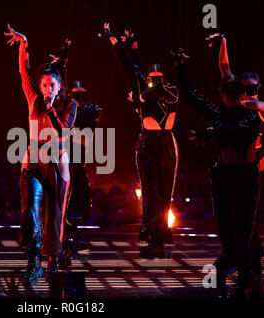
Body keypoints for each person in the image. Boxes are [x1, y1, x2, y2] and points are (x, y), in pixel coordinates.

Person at [174, 48, 262, 298]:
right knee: (227, 234)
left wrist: (211, 131)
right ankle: (233, 276)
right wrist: (181, 68)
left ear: (241, 94)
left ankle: (237, 277)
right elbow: (192, 96)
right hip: (223, 180)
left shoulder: (250, 117)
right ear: (223, 93)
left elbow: (237, 132)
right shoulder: (218, 115)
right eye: (229, 92)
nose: (233, 96)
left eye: (237, 92)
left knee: (242, 234)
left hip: (246, 180)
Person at [99, 23, 179, 259]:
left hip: (166, 143)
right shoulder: (143, 87)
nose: (155, 81)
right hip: (147, 143)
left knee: (165, 192)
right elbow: (129, 66)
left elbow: (145, 80)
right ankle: (155, 236)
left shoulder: (170, 89)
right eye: (152, 78)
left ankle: (161, 233)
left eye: (158, 78)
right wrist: (120, 43)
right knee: (150, 191)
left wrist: (142, 92)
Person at [5, 24, 77, 286]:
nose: (47, 88)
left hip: (58, 163)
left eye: (52, 85)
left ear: (59, 87)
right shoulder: (34, 97)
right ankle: (32, 260)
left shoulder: (70, 105)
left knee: (54, 215)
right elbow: (23, 70)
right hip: (33, 161)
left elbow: (64, 130)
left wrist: (51, 110)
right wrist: (24, 43)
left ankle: (53, 263)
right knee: (31, 211)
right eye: (44, 84)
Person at [61, 80, 101, 266]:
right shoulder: (64, 110)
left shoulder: (90, 110)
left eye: (81, 95)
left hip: (78, 161)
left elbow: (85, 133)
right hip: (64, 159)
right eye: (74, 95)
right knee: (66, 196)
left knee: (80, 195)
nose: (78, 99)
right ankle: (67, 235)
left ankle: (73, 231)